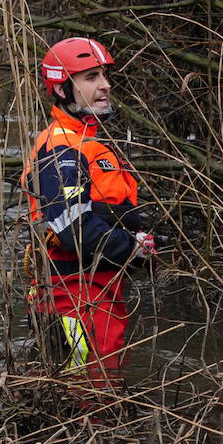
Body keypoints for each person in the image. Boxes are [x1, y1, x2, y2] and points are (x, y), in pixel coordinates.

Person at [22, 37, 157, 374]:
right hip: (73, 298)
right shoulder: (62, 149)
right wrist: (132, 248)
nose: (105, 85)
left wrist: (142, 237)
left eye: (104, 76)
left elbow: (106, 210)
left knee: (99, 383)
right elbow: (73, 228)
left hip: (98, 292)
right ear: (63, 89)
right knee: (91, 389)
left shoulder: (89, 143)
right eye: (91, 77)